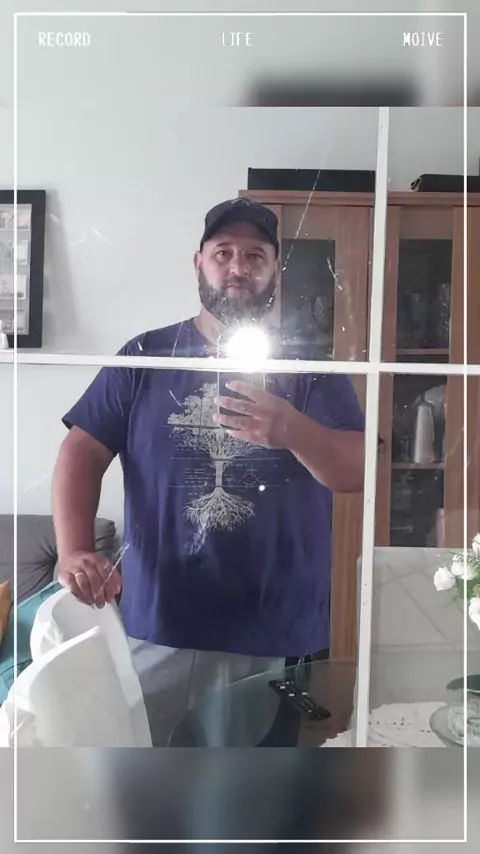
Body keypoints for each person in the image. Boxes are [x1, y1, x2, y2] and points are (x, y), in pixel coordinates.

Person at [52, 197, 365, 746]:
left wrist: (290, 428)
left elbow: (355, 470)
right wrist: (73, 549)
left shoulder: (310, 366)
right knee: (145, 780)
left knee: (254, 790)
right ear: (198, 263)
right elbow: (81, 452)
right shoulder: (145, 356)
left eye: (255, 254)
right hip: (158, 622)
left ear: (275, 268)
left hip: (272, 630)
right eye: (223, 253)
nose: (238, 266)